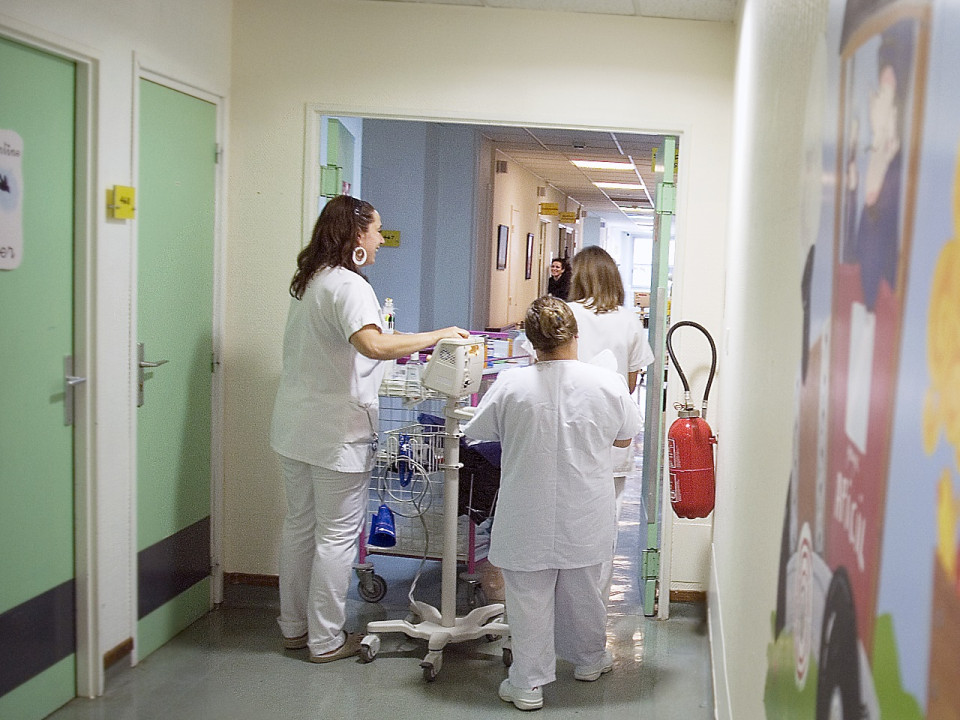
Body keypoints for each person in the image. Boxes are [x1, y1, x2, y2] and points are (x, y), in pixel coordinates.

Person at [269, 194, 468, 663]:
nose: (381, 240)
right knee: (336, 536)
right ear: (356, 234)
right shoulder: (349, 285)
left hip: (294, 425)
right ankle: (325, 640)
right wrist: (439, 334)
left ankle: (294, 628)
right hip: (334, 431)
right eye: (376, 231)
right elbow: (373, 345)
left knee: (300, 528)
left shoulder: (311, 280)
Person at [463, 296, 641, 710]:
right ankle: (590, 660)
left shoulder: (511, 384)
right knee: (584, 590)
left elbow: (480, 433)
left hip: (526, 509)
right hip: (585, 507)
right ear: (575, 335)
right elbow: (624, 437)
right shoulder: (605, 383)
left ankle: (527, 684)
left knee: (527, 597)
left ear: (530, 341)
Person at [567, 246, 654, 602]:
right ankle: (594, 608)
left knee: (564, 520)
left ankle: (563, 606)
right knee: (606, 524)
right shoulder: (629, 320)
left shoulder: (566, 314)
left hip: (568, 428)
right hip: (613, 432)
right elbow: (632, 384)